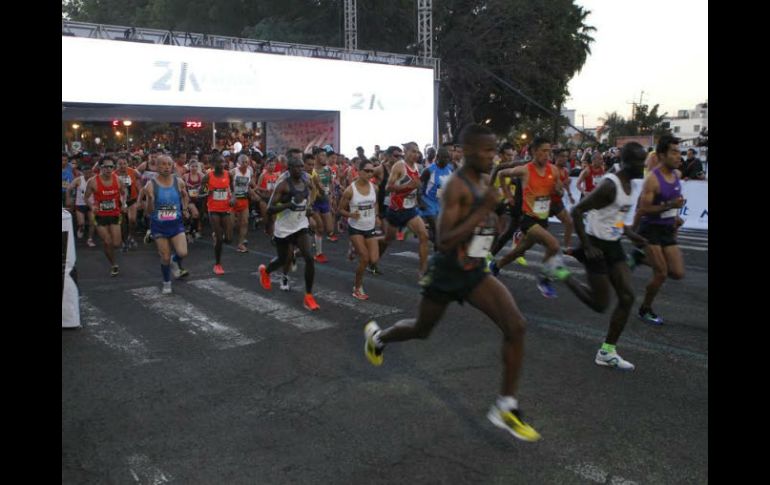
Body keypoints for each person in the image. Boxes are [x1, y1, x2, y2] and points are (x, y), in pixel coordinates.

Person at [363, 124, 540, 442]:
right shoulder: (458, 185)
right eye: (487, 150)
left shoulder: (485, 180)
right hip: (448, 271)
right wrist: (484, 210)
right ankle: (379, 338)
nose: (492, 155)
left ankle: (506, 405)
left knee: (516, 326)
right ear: (469, 151)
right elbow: (443, 240)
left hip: (474, 270)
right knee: (421, 329)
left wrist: (499, 213)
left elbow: (493, 220)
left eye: (494, 150)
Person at [561, 142, 649, 370]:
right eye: (640, 161)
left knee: (627, 297)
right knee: (600, 304)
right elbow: (577, 211)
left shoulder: (632, 183)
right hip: (596, 246)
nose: (644, 165)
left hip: (614, 245)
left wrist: (630, 234)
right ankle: (561, 273)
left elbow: (617, 217)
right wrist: (588, 246)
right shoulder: (610, 185)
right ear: (627, 163)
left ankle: (607, 351)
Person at [490, 137, 570, 298]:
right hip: (529, 219)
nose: (547, 155)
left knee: (519, 251)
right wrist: (508, 195)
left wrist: (558, 190)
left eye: (549, 151)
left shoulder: (553, 170)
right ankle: (544, 279)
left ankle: (496, 265)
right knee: (553, 246)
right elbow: (501, 173)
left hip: (543, 219)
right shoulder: (525, 169)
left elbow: (559, 190)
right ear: (534, 151)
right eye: (544, 151)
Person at [630, 135, 686, 325]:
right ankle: (645, 309)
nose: (679, 156)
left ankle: (639, 258)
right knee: (661, 273)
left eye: (680, 152)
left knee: (677, 273)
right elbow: (644, 209)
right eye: (674, 152)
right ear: (662, 155)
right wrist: (670, 204)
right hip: (651, 229)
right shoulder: (652, 179)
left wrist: (675, 218)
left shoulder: (677, 175)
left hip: (667, 229)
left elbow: (673, 204)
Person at [258, 156, 321, 311]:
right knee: (282, 259)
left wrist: (309, 206)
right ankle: (266, 271)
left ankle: (308, 296)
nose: (301, 169)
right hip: (284, 228)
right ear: (290, 168)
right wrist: (288, 205)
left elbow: (313, 191)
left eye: (302, 167)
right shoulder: (283, 186)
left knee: (308, 257)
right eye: (297, 167)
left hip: (300, 225)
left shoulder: (306, 181)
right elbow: (269, 209)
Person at [142, 155, 190, 294]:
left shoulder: (179, 181)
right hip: (159, 225)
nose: (166, 167)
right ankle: (167, 282)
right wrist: (150, 200)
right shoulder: (151, 185)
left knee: (183, 252)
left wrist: (185, 208)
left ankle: (175, 262)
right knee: (165, 257)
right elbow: (148, 212)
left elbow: (185, 196)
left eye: (169, 164)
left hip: (176, 223)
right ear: (157, 167)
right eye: (163, 164)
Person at [338, 159, 381, 300]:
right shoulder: (350, 190)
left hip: (369, 227)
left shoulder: (374, 188)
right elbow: (340, 209)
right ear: (360, 171)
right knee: (364, 258)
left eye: (372, 171)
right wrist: (351, 214)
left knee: (374, 260)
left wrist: (376, 216)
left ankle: (353, 248)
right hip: (355, 227)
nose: (370, 173)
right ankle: (357, 288)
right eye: (367, 171)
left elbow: (375, 204)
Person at [84, 157, 127, 276]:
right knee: (108, 241)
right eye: (106, 167)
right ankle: (114, 264)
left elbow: (124, 193)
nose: (109, 169)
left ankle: (110, 249)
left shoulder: (118, 180)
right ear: (100, 168)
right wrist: (92, 206)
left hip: (114, 215)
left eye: (111, 167)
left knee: (117, 243)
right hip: (100, 216)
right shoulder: (93, 181)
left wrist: (124, 204)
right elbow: (86, 197)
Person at [200, 155, 234, 275]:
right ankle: (218, 264)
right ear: (213, 164)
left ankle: (218, 236)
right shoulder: (207, 176)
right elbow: (200, 193)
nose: (221, 164)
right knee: (219, 239)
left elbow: (233, 190)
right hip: (213, 209)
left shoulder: (228, 174)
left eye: (223, 162)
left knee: (229, 239)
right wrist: (207, 192)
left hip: (226, 208)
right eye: (219, 162)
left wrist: (233, 198)